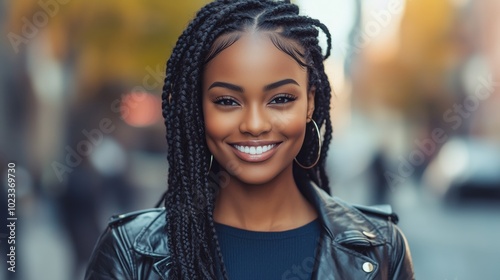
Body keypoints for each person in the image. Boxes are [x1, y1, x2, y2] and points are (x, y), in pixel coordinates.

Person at [85, 0, 414, 279]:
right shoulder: (129, 253)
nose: (254, 125)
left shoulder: (382, 247)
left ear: (310, 102)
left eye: (281, 99)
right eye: (227, 101)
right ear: (197, 108)